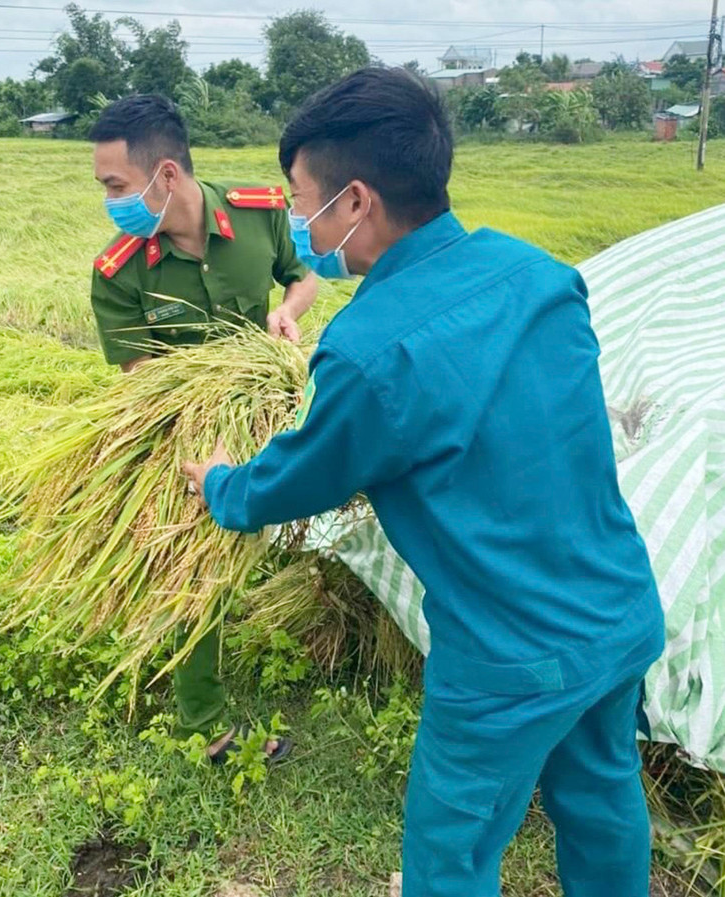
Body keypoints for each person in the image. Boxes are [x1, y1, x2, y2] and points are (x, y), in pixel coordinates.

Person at [184, 67, 665, 897]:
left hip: (509, 661)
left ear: (357, 201)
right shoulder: (540, 275)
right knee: (602, 799)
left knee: (450, 855)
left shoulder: (369, 347)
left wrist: (223, 484)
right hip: (618, 609)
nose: (297, 222)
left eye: (302, 201)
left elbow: (302, 476)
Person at [90, 94, 317, 761]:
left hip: (265, 407)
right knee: (199, 560)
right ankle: (207, 722)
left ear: (165, 175)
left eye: (115, 185)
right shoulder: (118, 269)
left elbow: (301, 276)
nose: (109, 202)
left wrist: (286, 312)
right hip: (185, 429)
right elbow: (143, 382)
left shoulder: (258, 213)